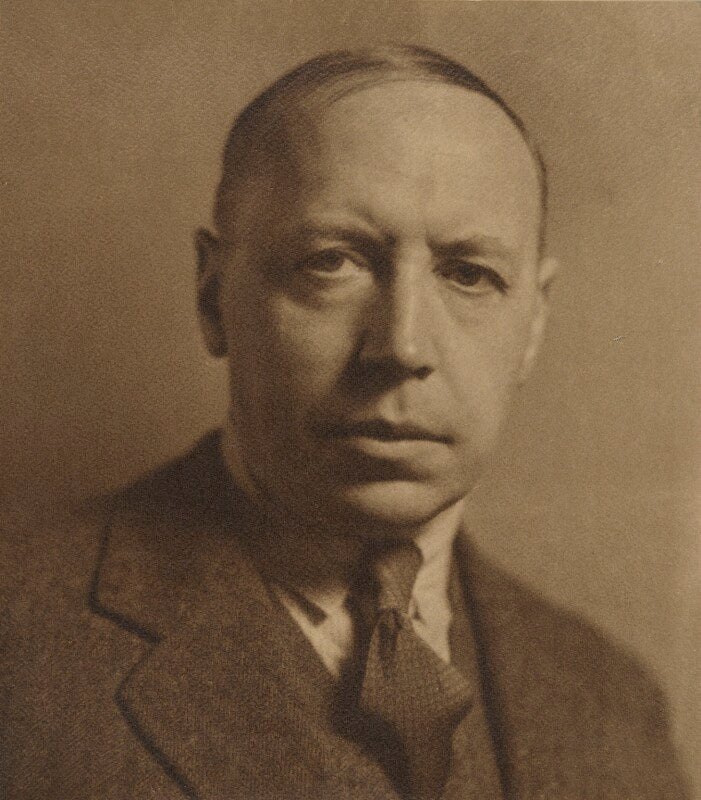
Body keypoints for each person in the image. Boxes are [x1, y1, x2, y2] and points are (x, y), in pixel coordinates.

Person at [0, 45, 689, 800]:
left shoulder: (615, 706)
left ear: (532, 324)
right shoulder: (19, 640)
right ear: (213, 295)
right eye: (331, 262)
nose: (402, 346)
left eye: (468, 274)